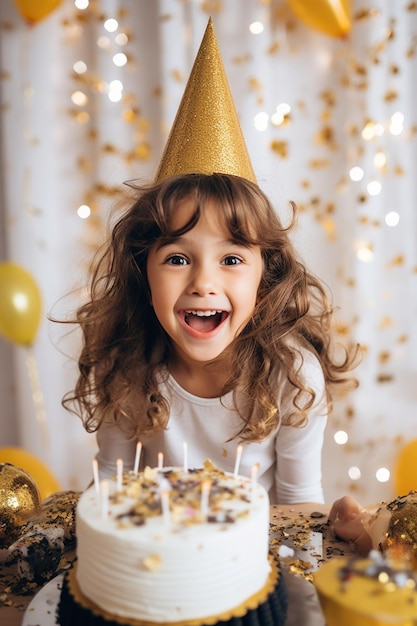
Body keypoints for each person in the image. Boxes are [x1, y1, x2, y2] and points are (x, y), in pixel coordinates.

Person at [61, 19, 359, 505]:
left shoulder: (293, 375)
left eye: (231, 259)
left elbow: (298, 504)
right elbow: (110, 494)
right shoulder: (125, 364)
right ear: (143, 270)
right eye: (178, 257)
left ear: (267, 274)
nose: (203, 282)